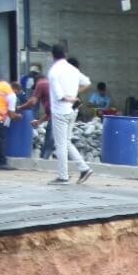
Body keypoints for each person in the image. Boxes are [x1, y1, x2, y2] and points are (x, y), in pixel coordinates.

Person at [38, 45, 93, 185]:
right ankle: (84, 168)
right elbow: (87, 82)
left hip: (60, 111)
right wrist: (75, 94)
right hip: (73, 110)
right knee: (66, 142)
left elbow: (59, 95)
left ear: (53, 55)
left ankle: (63, 176)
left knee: (60, 144)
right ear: (65, 54)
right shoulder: (73, 69)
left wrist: (69, 97)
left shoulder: (53, 72)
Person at [19, 68, 54, 159]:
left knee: (50, 139)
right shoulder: (49, 85)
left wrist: (19, 108)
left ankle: (44, 160)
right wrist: (39, 122)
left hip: (58, 115)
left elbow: (32, 102)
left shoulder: (41, 83)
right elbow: (50, 114)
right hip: (62, 114)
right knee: (57, 139)